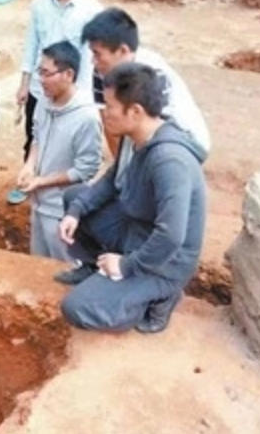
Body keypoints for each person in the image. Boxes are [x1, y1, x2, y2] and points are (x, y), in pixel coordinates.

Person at [54, 7, 210, 284]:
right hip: (144, 158)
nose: (94, 61)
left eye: (98, 54)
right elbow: (118, 137)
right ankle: (96, 265)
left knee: (138, 206)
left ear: (123, 50)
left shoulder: (153, 80)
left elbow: (156, 142)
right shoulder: (112, 77)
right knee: (79, 199)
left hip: (175, 156)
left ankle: (138, 273)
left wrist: (132, 181)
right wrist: (120, 177)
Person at [58, 62, 207, 333]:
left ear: (135, 111)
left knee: (77, 308)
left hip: (164, 262)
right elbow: (111, 181)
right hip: (135, 230)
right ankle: (97, 267)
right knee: (75, 197)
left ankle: (157, 297)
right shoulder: (136, 137)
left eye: (110, 106)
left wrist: (126, 265)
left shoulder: (169, 160)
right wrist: (76, 211)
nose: (105, 113)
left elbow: (171, 236)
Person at [9, 0, 102, 205]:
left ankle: (70, 192)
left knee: (69, 145)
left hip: (72, 96)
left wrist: (82, 100)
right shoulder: (40, 3)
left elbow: (89, 59)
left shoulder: (90, 11)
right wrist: (26, 82)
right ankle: (29, 180)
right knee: (35, 135)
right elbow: (32, 44)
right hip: (41, 88)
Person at [16, 41, 102, 262]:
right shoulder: (43, 102)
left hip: (62, 214)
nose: (40, 80)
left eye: (46, 74)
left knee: (63, 273)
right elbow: (37, 136)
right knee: (38, 268)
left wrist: (41, 181)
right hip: (39, 205)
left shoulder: (87, 118)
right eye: (39, 72)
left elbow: (85, 170)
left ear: (68, 74)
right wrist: (29, 166)